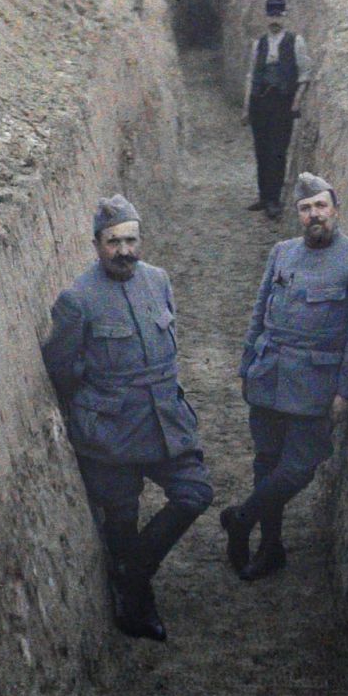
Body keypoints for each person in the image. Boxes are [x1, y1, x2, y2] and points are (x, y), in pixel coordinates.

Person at [41, 195, 213, 641]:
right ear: (97, 245)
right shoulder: (78, 300)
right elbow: (61, 367)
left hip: (164, 423)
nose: (124, 251)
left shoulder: (158, 280)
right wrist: (98, 403)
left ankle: (131, 572)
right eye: (113, 242)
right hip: (111, 433)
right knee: (121, 517)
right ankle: (136, 605)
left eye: (131, 240)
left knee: (195, 493)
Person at [218, 173, 348, 582]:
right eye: (305, 209)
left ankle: (242, 518)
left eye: (321, 206)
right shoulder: (282, 253)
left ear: (335, 209)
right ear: (298, 215)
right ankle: (271, 547)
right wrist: (246, 364)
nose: (314, 215)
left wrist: (344, 390)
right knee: (267, 460)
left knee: (299, 467)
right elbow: (258, 312)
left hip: (314, 383)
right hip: (269, 372)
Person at [243, 0, 312, 219]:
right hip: (260, 102)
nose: (274, 20)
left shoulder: (296, 42)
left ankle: (274, 200)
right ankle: (264, 196)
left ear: (285, 17)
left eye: (278, 16)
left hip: (282, 103)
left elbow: (305, 74)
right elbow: (252, 75)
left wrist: (296, 101)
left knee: (278, 151)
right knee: (261, 150)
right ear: (266, 18)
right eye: (271, 16)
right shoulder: (259, 44)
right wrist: (247, 107)